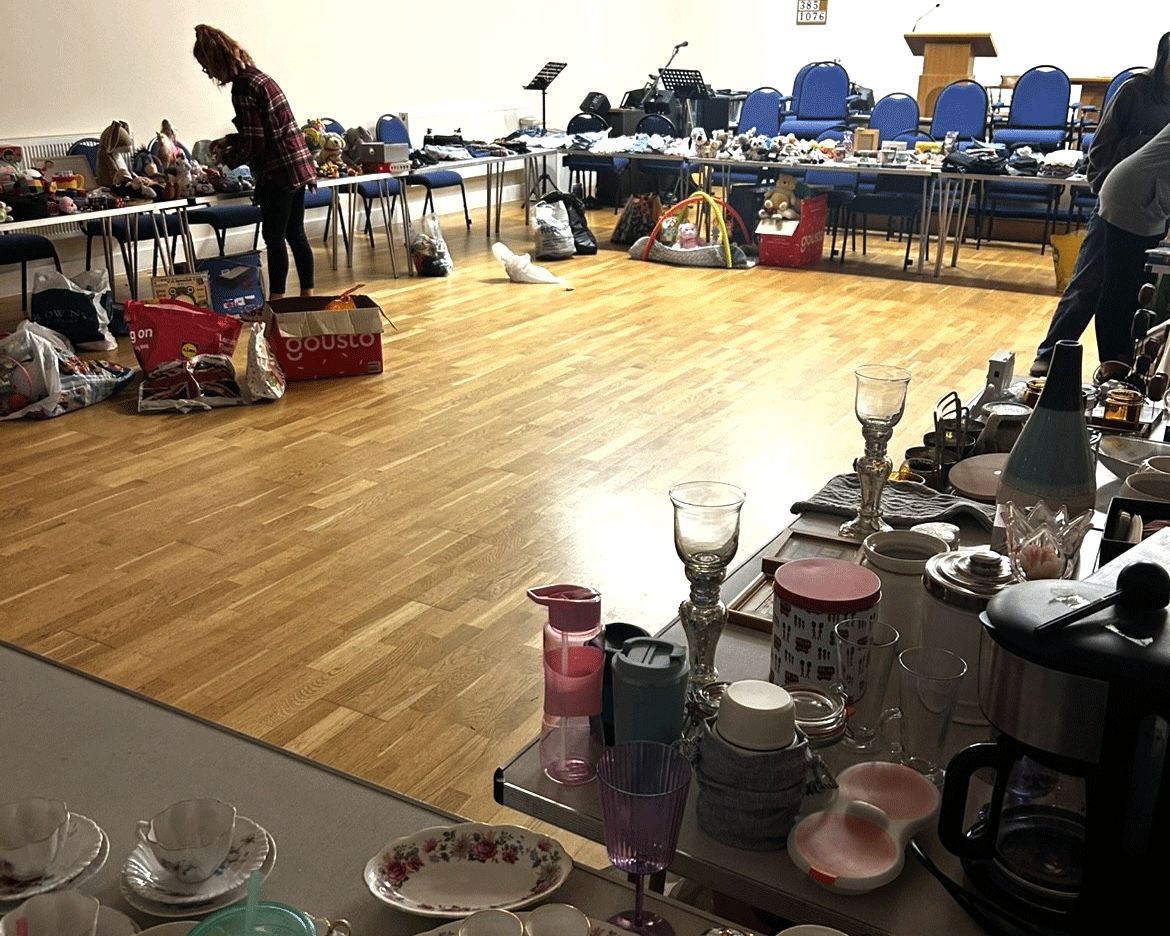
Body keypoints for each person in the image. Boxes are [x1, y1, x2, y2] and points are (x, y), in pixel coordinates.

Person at [1028, 32, 1170, 376]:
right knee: (1090, 283)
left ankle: (1125, 364)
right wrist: (1103, 188)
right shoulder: (1135, 91)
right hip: (1116, 201)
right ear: (1164, 57)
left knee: (1134, 289)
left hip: (1155, 209)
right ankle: (1051, 355)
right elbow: (1102, 145)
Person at [193, 24, 316, 299]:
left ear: (214, 61)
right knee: (295, 234)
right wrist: (231, 140)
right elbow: (262, 130)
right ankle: (308, 298)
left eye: (205, 66)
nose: (208, 73)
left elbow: (256, 143)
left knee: (274, 238)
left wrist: (227, 160)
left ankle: (277, 302)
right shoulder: (258, 77)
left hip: (278, 171)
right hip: (297, 165)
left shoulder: (242, 87)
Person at [1092, 119, 1170, 364]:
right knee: (1121, 286)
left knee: (1139, 285)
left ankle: (1127, 358)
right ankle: (1112, 364)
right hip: (1130, 196)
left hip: (1149, 199)